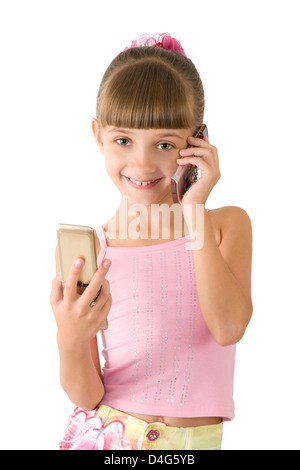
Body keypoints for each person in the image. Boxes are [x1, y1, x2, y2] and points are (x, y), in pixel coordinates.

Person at [50, 33, 253, 451]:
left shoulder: (223, 226)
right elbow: (86, 395)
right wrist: (69, 336)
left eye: (164, 144)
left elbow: (229, 326)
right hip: (108, 438)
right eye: (123, 140)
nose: (142, 163)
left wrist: (193, 209)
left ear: (197, 141)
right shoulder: (92, 249)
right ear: (98, 135)